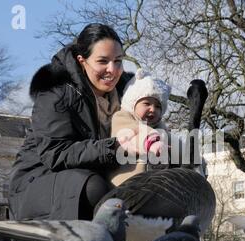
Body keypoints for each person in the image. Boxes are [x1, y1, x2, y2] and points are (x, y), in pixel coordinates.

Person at [8, 23, 145, 222]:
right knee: (93, 188)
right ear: (82, 60)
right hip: (38, 180)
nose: (113, 70)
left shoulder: (129, 90)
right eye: (102, 61)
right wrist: (114, 147)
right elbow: (54, 152)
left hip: (94, 171)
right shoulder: (55, 90)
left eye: (118, 61)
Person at [108, 69, 171, 186]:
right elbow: (131, 132)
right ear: (132, 104)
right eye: (146, 104)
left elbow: (175, 144)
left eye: (158, 106)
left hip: (154, 184)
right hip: (126, 182)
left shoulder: (160, 127)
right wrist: (151, 142)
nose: (153, 109)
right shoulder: (122, 117)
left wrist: (191, 154)